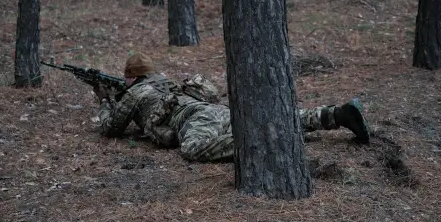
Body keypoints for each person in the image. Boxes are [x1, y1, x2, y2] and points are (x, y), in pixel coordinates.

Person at [94, 53, 370, 162]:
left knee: (192, 149)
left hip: (195, 119)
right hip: (216, 111)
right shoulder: (162, 83)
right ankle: (335, 114)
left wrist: (105, 100)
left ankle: (268, 136)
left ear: (131, 77)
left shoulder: (136, 93)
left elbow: (110, 128)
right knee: (274, 117)